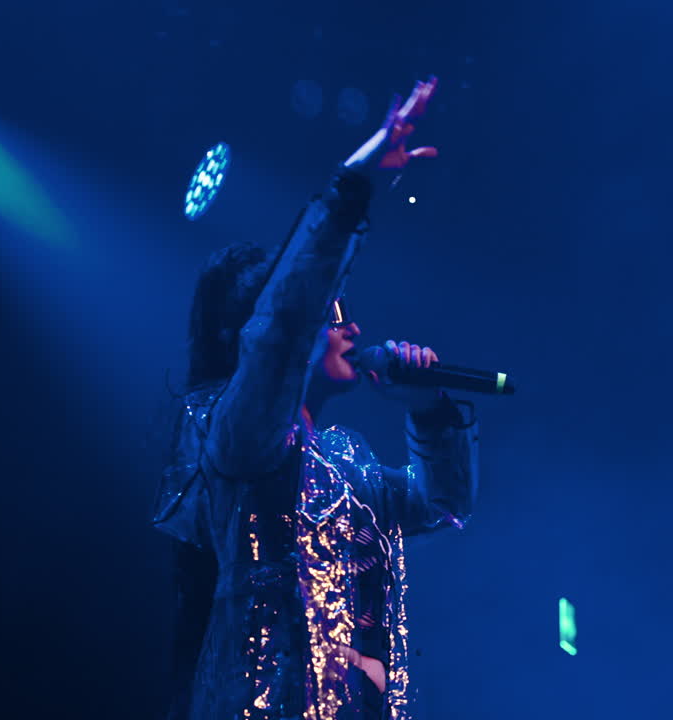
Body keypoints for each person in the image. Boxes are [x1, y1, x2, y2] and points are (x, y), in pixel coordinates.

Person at [153, 76, 478, 720]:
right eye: (332, 314)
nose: (352, 329)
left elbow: (442, 507)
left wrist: (428, 407)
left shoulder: (348, 459)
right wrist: (354, 186)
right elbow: (281, 324)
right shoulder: (235, 434)